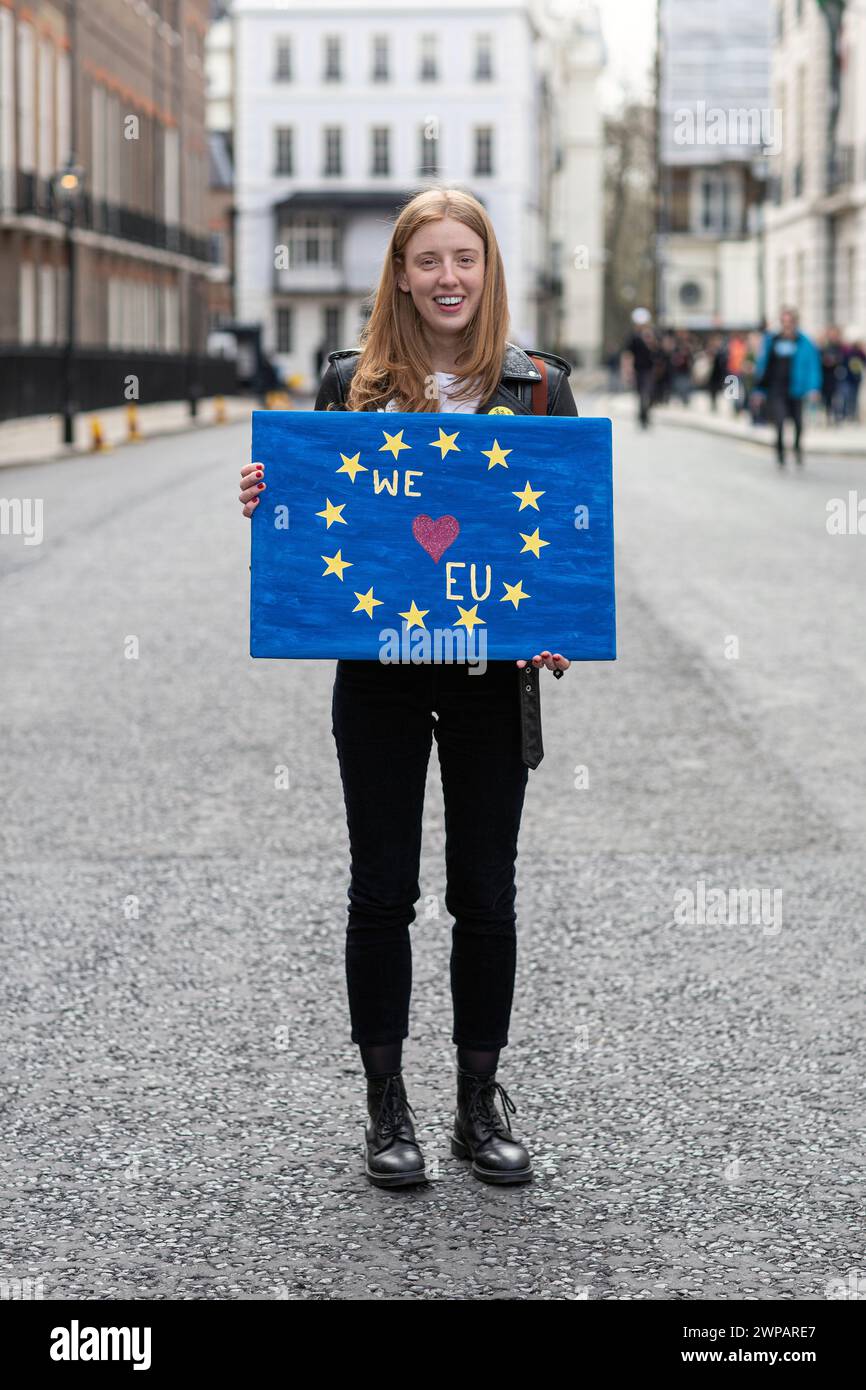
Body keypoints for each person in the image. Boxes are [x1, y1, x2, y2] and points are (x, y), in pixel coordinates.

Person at [238, 188, 578, 1190]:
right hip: (378, 678)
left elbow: (562, 530)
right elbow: (308, 522)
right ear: (398, 273)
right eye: (425, 260)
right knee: (381, 890)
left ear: (487, 270)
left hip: (485, 680)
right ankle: (386, 1108)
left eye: (462, 259)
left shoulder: (536, 387)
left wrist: (555, 616)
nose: (446, 278)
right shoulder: (350, 384)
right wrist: (269, 501)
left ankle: (478, 1106)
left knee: (485, 893)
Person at [752, 306, 821, 465]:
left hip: (797, 388)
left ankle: (797, 447)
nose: (787, 325)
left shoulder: (805, 343)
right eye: (784, 321)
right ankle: (780, 451)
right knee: (780, 420)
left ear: (795, 322)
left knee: (797, 422)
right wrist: (759, 390)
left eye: (790, 322)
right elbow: (764, 366)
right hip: (776, 389)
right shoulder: (772, 341)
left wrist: (813, 388)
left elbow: (812, 367)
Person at [621, 308, 657, 428]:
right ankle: (643, 417)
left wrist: (650, 339)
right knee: (642, 393)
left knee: (651, 393)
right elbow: (627, 354)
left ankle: (645, 414)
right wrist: (627, 371)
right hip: (639, 370)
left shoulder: (652, 334)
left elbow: (658, 350)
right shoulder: (633, 337)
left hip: (651, 369)